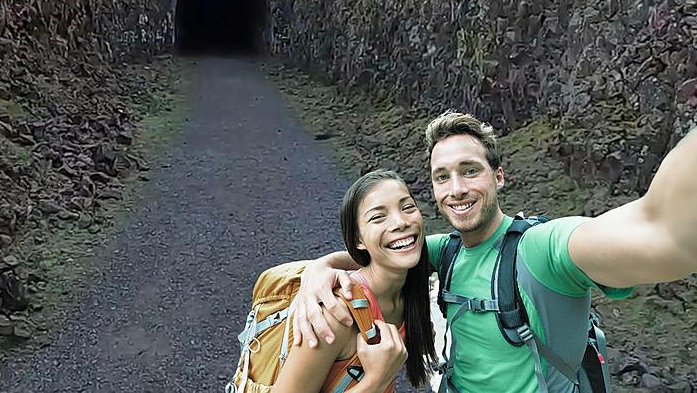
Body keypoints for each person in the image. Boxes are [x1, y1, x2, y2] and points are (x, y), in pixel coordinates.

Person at [292, 111, 697, 393]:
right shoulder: (445, 251)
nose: (457, 189)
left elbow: (661, 232)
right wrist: (318, 271)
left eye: (470, 171)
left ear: (498, 176)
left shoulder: (540, 250)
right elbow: (380, 254)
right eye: (442, 177)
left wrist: (670, 228)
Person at [269, 170, 437, 393]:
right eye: (378, 217)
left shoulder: (407, 292)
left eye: (407, 207)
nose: (400, 222)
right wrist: (376, 380)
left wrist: (322, 264)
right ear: (358, 240)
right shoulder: (335, 314)